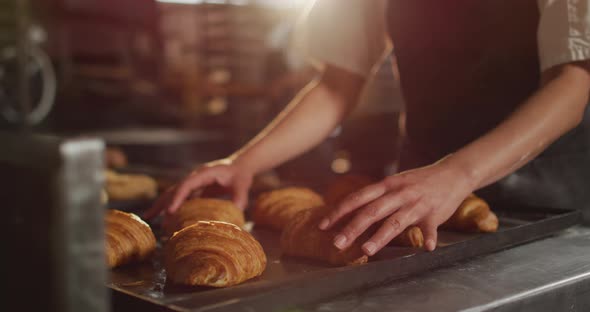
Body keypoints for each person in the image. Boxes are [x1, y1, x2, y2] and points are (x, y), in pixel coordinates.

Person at [146, 0, 590, 257]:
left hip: (552, 210)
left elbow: (574, 81)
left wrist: (457, 174)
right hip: (417, 208)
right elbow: (339, 84)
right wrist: (245, 162)